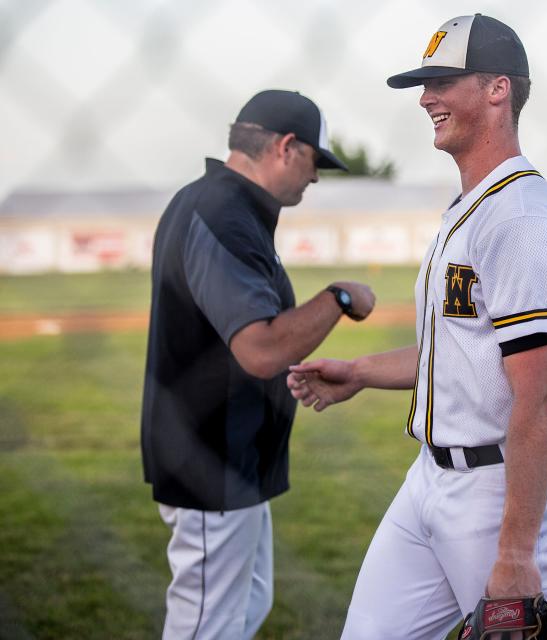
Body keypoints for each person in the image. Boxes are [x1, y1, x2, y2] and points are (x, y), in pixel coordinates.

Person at [287, 14, 547, 639]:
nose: (425, 97)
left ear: (498, 89)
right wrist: (360, 372)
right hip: (432, 479)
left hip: (503, 489)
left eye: (442, 81)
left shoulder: (522, 220)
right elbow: (458, 353)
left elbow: (536, 401)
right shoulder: (471, 206)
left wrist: (515, 553)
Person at [141, 89, 376, 640]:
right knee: (207, 625)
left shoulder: (221, 204)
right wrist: (339, 298)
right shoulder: (222, 210)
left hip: (230, 452)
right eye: (314, 161)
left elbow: (248, 343)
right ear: (286, 147)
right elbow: (260, 348)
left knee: (246, 603)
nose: (315, 178)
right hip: (209, 457)